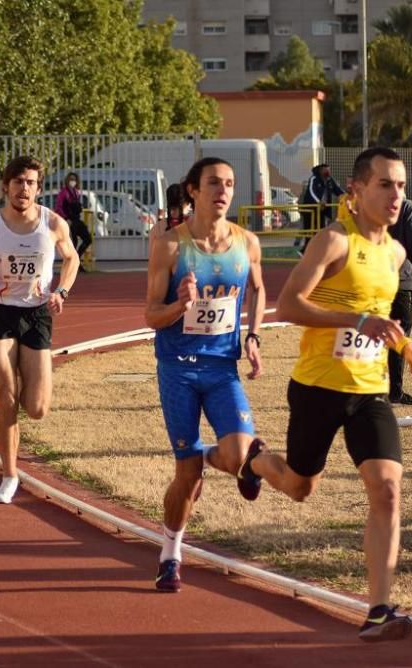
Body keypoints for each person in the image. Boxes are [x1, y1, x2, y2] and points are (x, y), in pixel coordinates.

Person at [238, 147, 412, 642]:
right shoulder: (333, 241)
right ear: (357, 190)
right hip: (317, 388)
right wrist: (355, 320)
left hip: (370, 391)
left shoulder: (396, 253)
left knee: (387, 490)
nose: (396, 196)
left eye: (402, 186)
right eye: (385, 185)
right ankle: (257, 461)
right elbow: (287, 305)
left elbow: (381, 316)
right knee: (301, 486)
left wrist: (409, 349)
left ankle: (379, 609)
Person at [144, 157, 266, 593]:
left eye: (230, 184)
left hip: (221, 367)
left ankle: (222, 458)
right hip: (177, 369)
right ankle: (170, 552)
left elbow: (258, 287)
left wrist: (253, 336)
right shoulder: (171, 246)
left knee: (239, 456)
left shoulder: (247, 243)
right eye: (214, 183)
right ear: (193, 190)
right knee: (187, 474)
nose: (223, 191)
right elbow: (150, 315)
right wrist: (180, 305)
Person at [0, 155, 79, 503]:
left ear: (38, 188)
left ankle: (29, 380)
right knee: (6, 395)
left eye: (30, 182)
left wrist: (62, 291)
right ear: (5, 186)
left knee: (38, 407)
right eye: (17, 182)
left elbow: (71, 258)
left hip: (37, 313)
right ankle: (9, 475)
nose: (23, 188)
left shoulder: (54, 224)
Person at [388, 197, 412, 406]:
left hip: (373, 279)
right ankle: (394, 391)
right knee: (399, 333)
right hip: (401, 279)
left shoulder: (365, 206)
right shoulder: (406, 207)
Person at [298, 163, 345, 251]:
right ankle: (305, 251)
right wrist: (318, 202)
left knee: (321, 231)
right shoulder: (314, 179)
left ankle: (317, 250)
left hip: (322, 211)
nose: (328, 171)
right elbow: (311, 192)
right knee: (310, 231)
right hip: (310, 209)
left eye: (329, 169)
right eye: (325, 169)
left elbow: (338, 190)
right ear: (320, 170)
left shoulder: (330, 180)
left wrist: (346, 197)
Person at [54, 172, 92, 267]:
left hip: (76, 219)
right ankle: (72, 264)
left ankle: (77, 260)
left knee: (88, 239)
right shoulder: (63, 192)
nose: (72, 181)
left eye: (74, 179)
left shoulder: (76, 192)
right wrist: (66, 219)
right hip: (68, 221)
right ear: (67, 180)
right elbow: (58, 207)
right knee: (73, 243)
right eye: (71, 179)